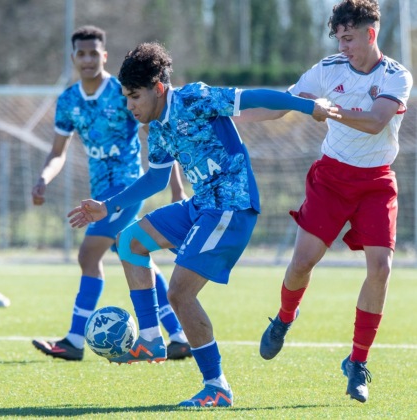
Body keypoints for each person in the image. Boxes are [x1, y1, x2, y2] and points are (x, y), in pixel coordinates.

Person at [67, 41, 339, 407]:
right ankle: (150, 338)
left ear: (158, 89)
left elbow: (255, 96)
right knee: (130, 242)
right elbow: (155, 181)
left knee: (179, 293)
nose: (130, 106)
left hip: (231, 204)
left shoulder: (196, 98)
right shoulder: (158, 128)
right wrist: (106, 206)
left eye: (134, 97)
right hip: (201, 205)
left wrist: (310, 107)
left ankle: (217, 387)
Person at [257, 0, 413, 404]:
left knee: (381, 267)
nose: (343, 46)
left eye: (349, 38)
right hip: (331, 179)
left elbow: (377, 120)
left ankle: (357, 362)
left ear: (370, 34)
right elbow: (284, 106)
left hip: (376, 182)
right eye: (338, 39)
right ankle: (284, 318)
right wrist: (232, 114)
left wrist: (328, 111)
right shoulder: (327, 69)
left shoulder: (397, 75)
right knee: (302, 263)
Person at [31, 25, 191, 362]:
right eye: (81, 53)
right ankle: (177, 335)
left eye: (94, 53)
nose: (88, 59)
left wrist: (177, 186)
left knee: (88, 256)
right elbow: (58, 152)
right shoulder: (69, 100)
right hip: (101, 194)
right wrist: (44, 178)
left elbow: (158, 135)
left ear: (103, 56)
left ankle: (75, 339)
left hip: (128, 186)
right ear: (73, 57)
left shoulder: (122, 93)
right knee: (133, 253)